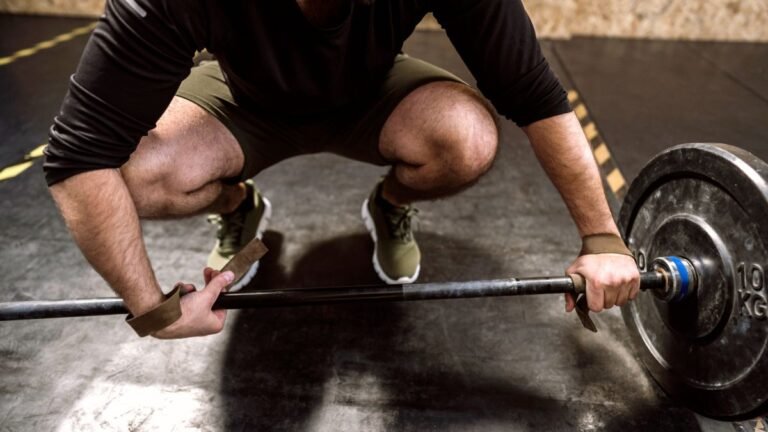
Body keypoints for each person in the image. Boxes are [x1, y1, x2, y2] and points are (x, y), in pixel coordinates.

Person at [43, 0, 640, 339]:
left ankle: (391, 204)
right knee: (140, 173)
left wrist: (602, 237)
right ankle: (236, 205)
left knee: (468, 139)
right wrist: (154, 311)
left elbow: (533, 96)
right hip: (244, 102)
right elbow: (80, 154)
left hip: (371, 94)